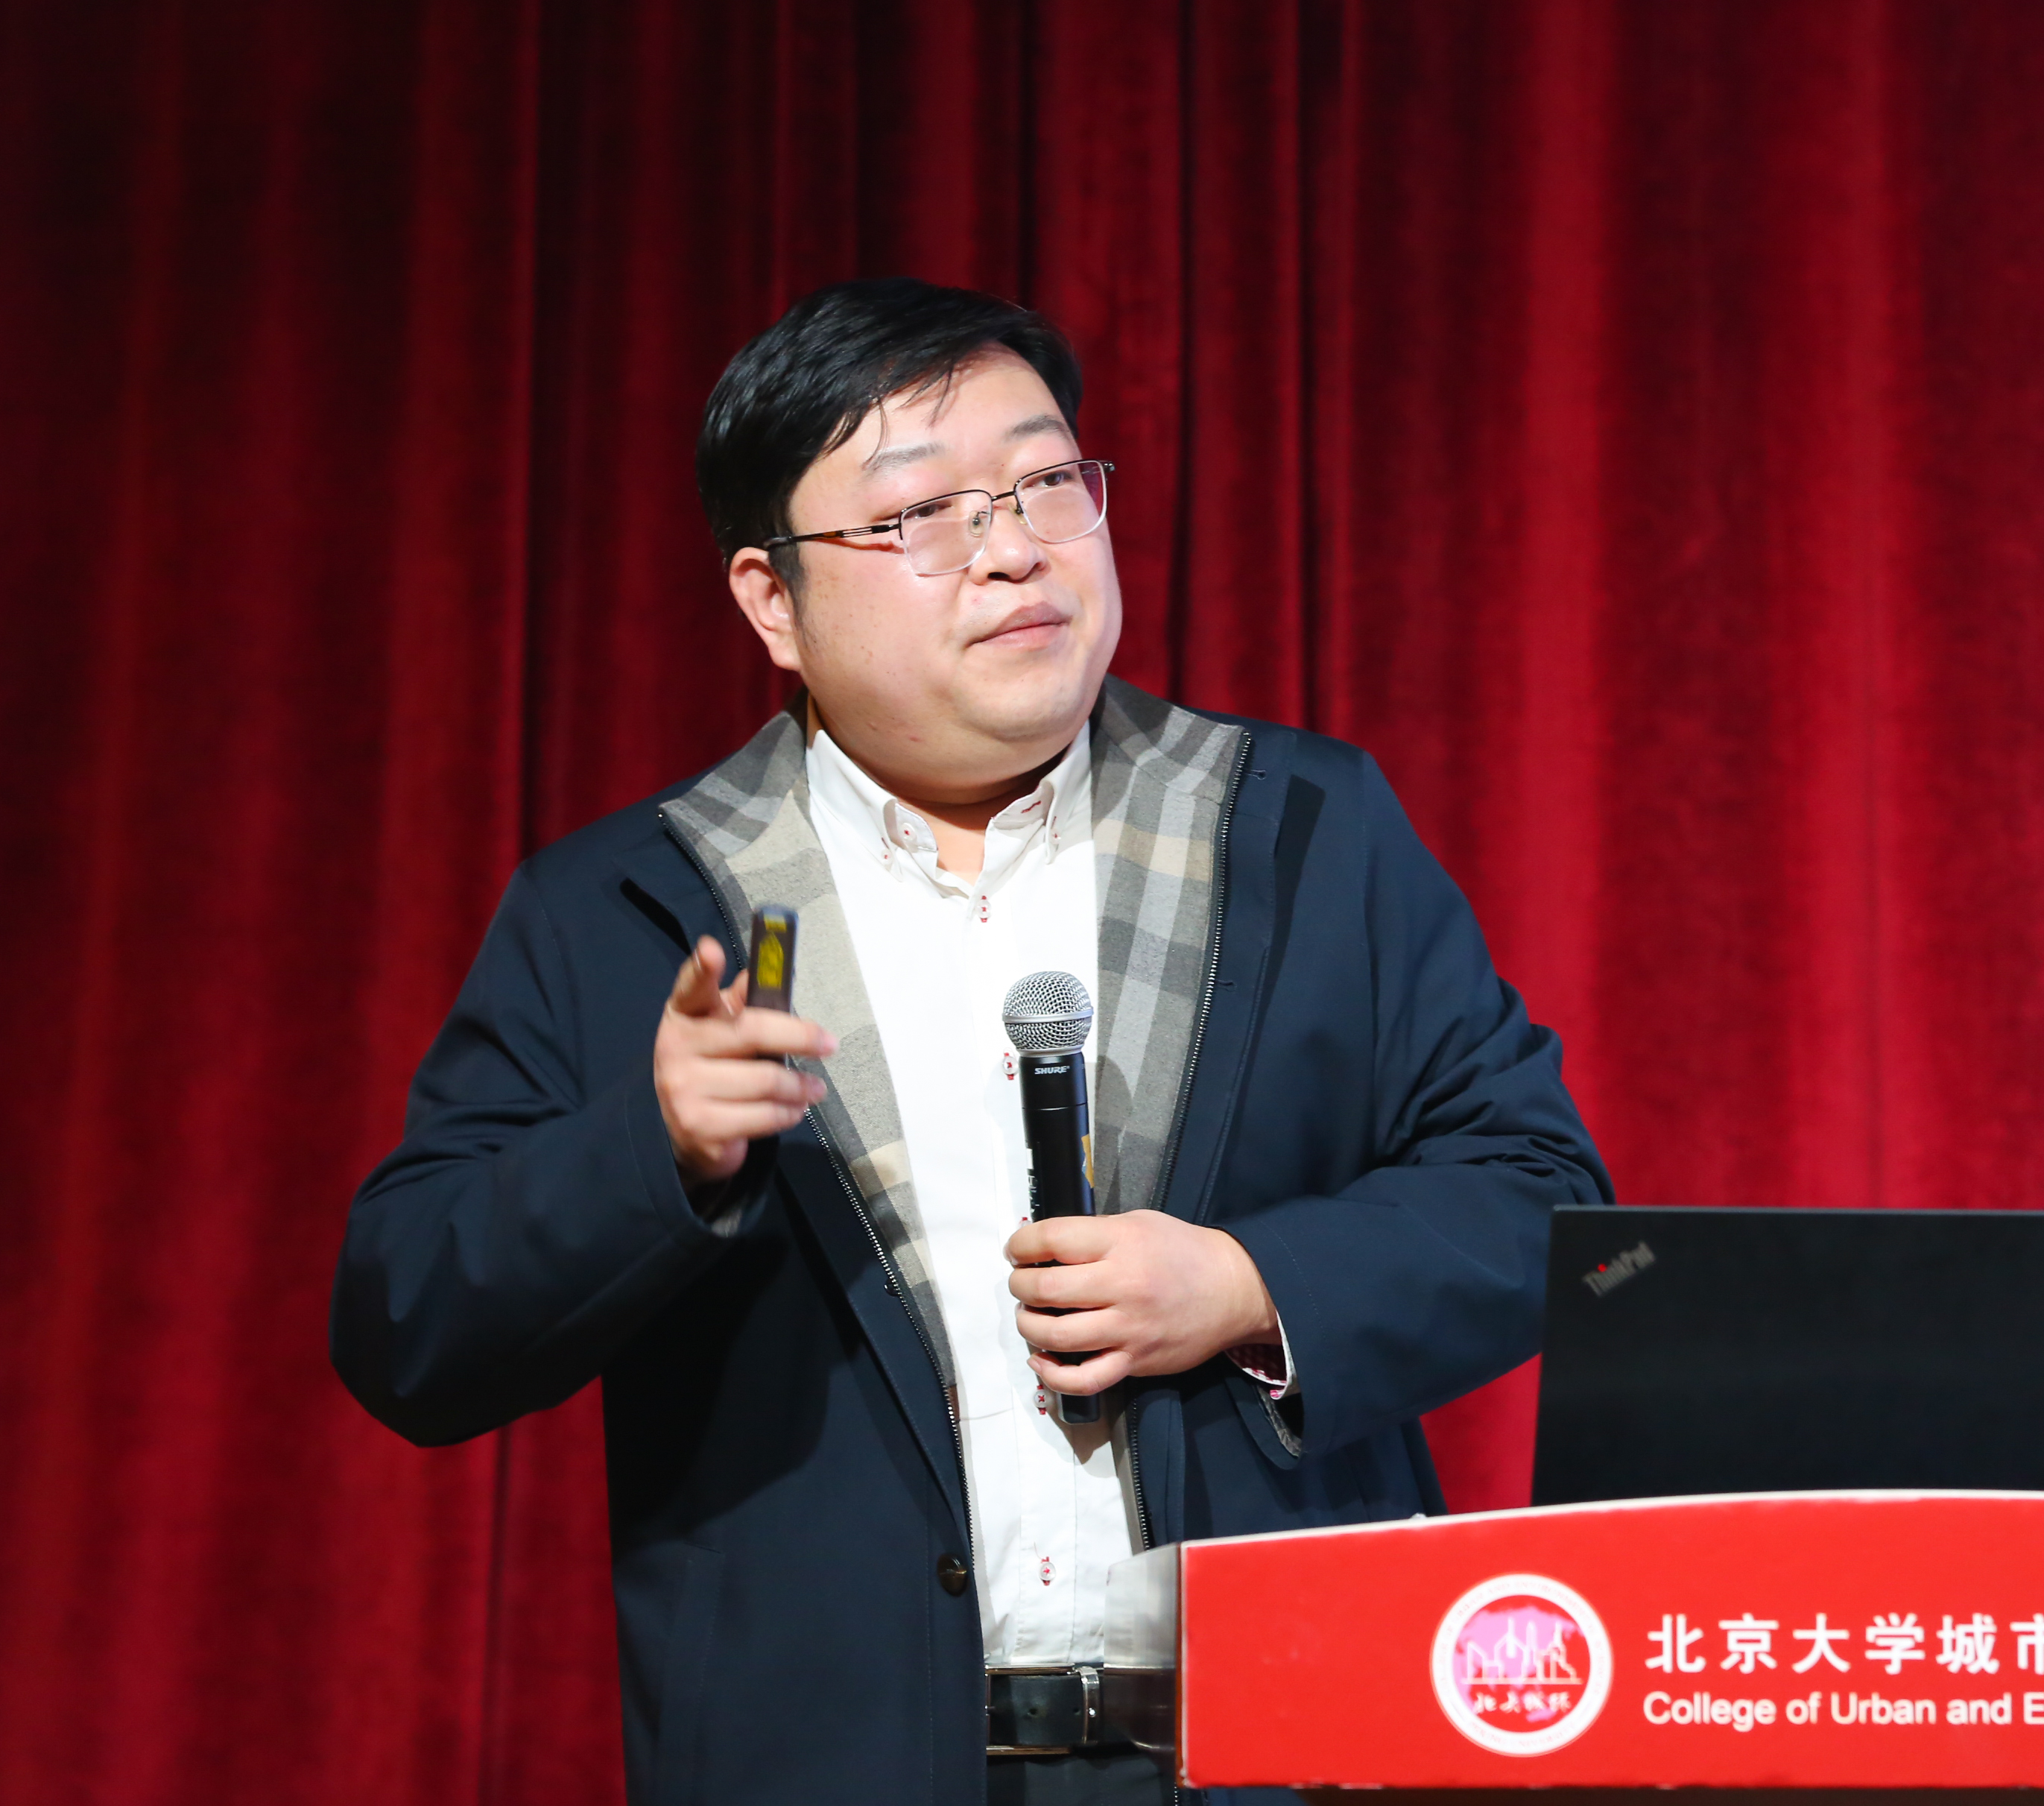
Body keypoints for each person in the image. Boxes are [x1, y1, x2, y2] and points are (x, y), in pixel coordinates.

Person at [331, 277, 1610, 1806]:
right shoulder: (632, 907)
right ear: (771, 601)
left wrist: (1248, 1286)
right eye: (922, 514)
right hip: (840, 1769)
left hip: (1270, 1747)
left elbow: (1543, 1202)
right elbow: (407, 1329)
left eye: (1046, 482)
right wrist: (651, 1150)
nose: (1013, 548)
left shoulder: (1293, 829)